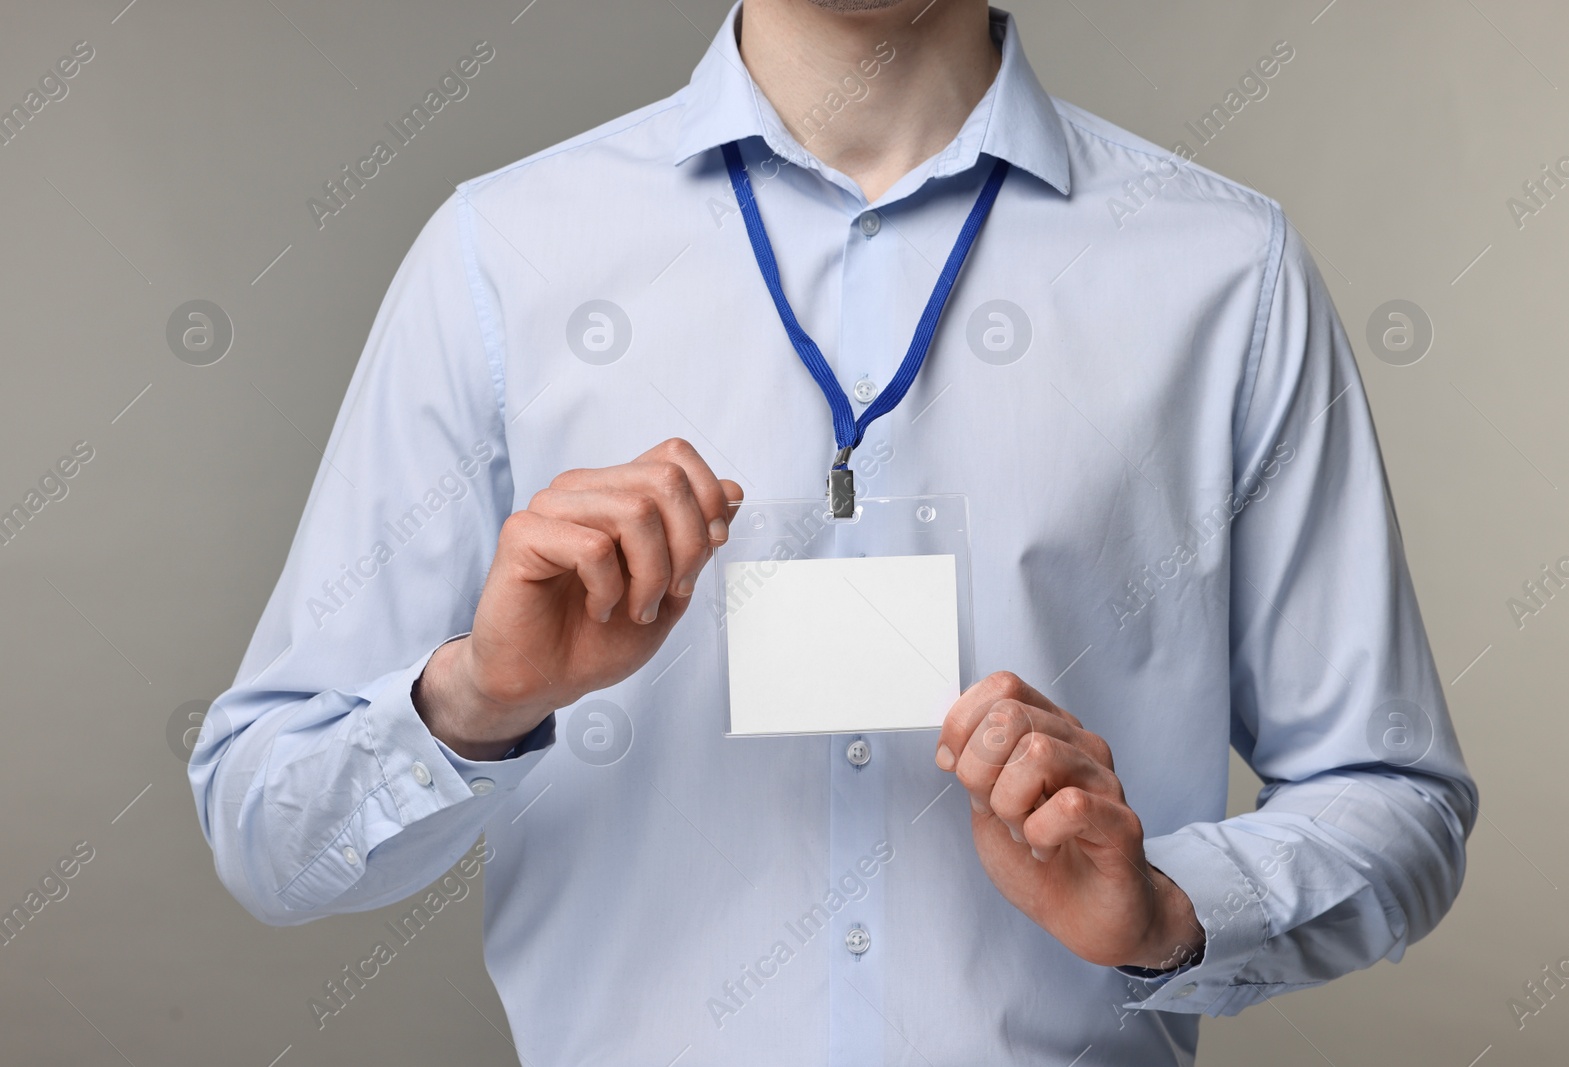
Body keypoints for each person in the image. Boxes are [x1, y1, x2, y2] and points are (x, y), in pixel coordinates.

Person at [189, 1, 1476, 1062]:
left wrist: (1169, 909)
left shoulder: (1221, 273)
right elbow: (266, 826)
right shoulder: (501, 259)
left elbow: (1396, 796)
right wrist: (478, 695)